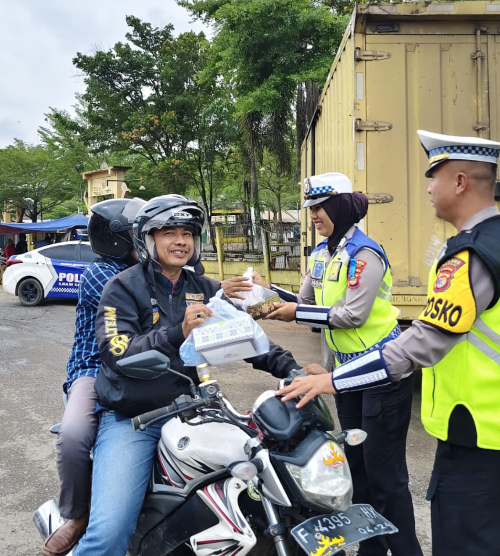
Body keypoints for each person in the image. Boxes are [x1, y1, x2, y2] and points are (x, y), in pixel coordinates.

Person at [279, 130, 500, 556]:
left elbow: (421, 343)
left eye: (433, 176)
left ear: (459, 182)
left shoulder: (471, 255)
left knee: (464, 542)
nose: (429, 188)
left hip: (474, 430)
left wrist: (333, 380)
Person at [73, 195, 322, 556]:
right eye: (169, 233)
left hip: (193, 412)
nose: (180, 241)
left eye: (187, 233)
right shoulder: (123, 287)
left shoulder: (205, 288)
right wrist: (179, 332)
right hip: (134, 419)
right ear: (147, 240)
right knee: (109, 533)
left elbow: (248, 334)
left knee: (263, 479)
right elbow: (117, 351)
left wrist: (293, 368)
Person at [229, 172, 421, 555]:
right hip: (346, 376)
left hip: (382, 373)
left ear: (341, 207)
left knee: (386, 478)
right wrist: (264, 292)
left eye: (320, 207)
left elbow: (352, 315)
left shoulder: (364, 254)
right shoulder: (322, 253)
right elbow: (300, 302)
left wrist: (294, 312)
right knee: (356, 471)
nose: (314, 215)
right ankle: (370, 550)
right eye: (311, 208)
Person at [42, 198, 148, 556]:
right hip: (94, 369)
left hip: (144, 368)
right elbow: (146, 307)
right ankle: (77, 515)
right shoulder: (102, 274)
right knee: (73, 436)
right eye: (139, 234)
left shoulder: (148, 269)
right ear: (118, 239)